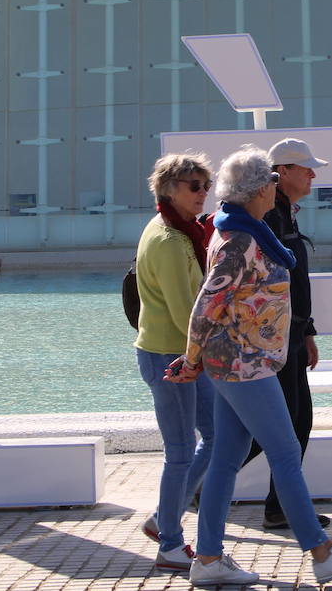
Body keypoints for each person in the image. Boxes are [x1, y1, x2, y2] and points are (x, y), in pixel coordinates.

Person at [164, 147, 332, 587]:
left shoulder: (245, 231)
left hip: (242, 360)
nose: (275, 189)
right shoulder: (239, 241)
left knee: (226, 458)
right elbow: (206, 306)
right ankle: (321, 553)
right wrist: (191, 360)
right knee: (283, 452)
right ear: (261, 188)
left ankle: (207, 559)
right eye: (273, 183)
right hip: (244, 365)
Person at [134, 152, 217, 571]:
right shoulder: (169, 240)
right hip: (172, 356)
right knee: (182, 451)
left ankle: (164, 518)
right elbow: (187, 309)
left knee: (216, 435)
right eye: (194, 186)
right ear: (169, 189)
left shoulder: (181, 231)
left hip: (182, 353)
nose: (204, 193)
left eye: (206, 185)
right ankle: (169, 541)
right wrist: (201, 357)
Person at [242, 136, 329, 530]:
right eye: (306, 167)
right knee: (286, 425)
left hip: (290, 337)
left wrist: (306, 332)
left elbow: (294, 282)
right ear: (283, 173)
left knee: (293, 422)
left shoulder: (285, 213)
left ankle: (276, 506)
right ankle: (278, 508)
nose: (313, 174)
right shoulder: (270, 216)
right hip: (275, 340)